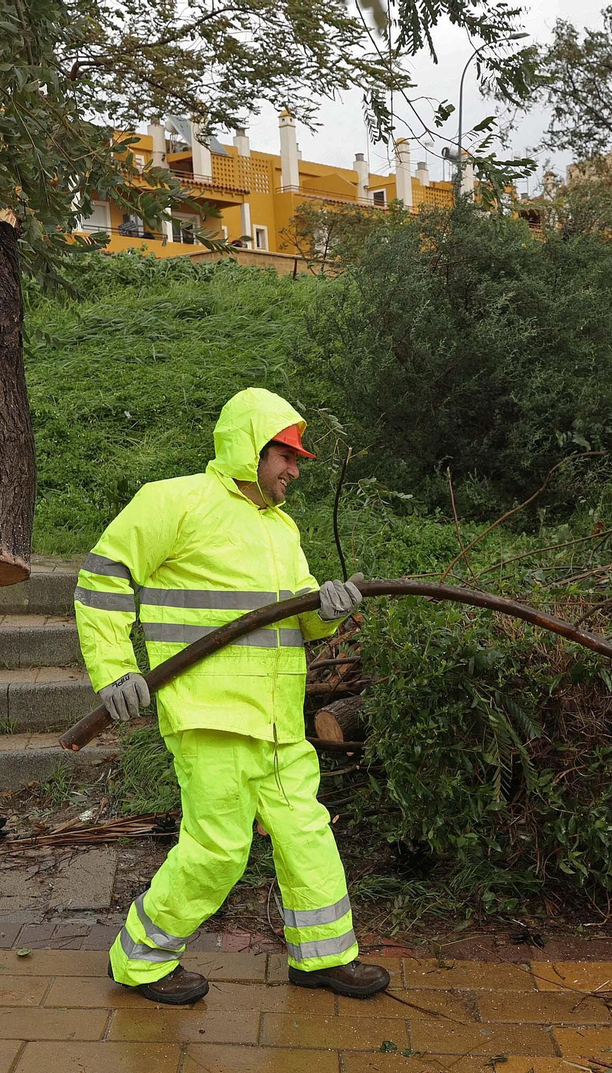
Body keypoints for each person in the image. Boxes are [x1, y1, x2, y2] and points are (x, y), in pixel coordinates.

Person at [73, 387, 390, 1005]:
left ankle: (323, 958)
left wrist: (330, 610)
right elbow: (103, 578)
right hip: (209, 718)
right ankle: (141, 960)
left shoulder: (282, 529)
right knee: (218, 850)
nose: (294, 471)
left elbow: (300, 619)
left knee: (307, 833)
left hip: (277, 724)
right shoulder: (175, 502)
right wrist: (115, 672)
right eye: (286, 455)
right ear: (251, 447)